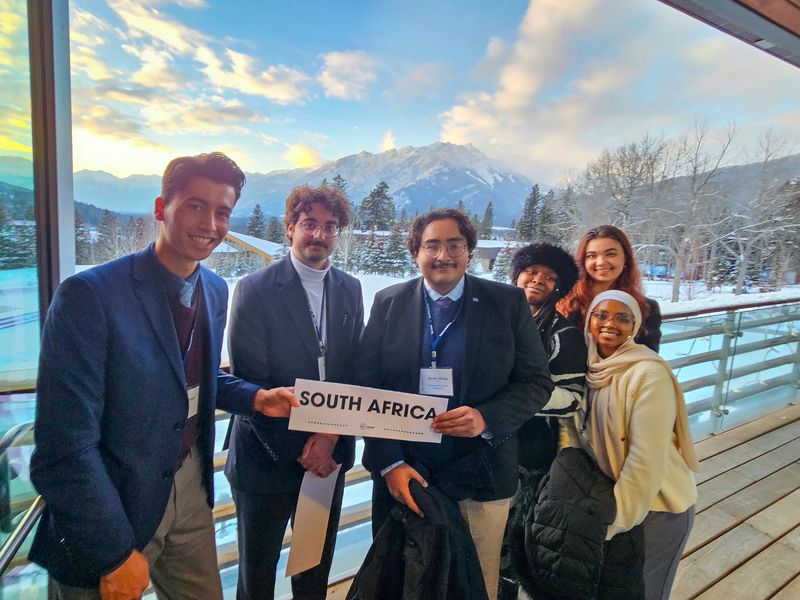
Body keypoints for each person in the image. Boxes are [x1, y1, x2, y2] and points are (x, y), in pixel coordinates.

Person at [30, 152, 298, 600]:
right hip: (112, 500)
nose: (210, 223)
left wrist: (255, 399)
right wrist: (114, 553)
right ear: (161, 209)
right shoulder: (89, 296)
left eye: (222, 212)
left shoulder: (213, 289)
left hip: (189, 486)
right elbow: (63, 445)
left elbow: (192, 382)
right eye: (196, 205)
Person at [357, 208, 553, 600]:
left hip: (480, 473)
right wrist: (390, 463)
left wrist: (487, 417)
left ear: (469, 251)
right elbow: (367, 389)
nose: (443, 255)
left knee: (474, 584)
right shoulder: (388, 302)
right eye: (432, 245)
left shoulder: (507, 302)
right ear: (416, 252)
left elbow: (536, 382)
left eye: (454, 245)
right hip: (406, 473)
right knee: (400, 583)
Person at [225, 184, 364, 600]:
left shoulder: (350, 288)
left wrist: (330, 437)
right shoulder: (255, 288)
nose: (318, 235)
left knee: (313, 568)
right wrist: (308, 443)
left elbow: (353, 369)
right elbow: (252, 381)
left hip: (327, 454)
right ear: (290, 228)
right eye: (308, 224)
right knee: (257, 574)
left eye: (329, 226)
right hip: (266, 458)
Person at [561, 290, 699, 600]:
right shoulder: (589, 368)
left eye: (622, 318)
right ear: (589, 321)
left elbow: (644, 462)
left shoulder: (647, 373)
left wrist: (610, 525)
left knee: (645, 593)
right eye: (601, 315)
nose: (610, 324)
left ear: (635, 326)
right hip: (615, 503)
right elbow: (572, 426)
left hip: (659, 506)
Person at [510, 242, 587, 472]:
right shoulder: (494, 319)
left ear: (559, 287)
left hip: (529, 447)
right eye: (531, 272)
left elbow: (572, 398)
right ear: (517, 276)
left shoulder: (564, 335)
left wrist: (511, 399)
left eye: (550, 276)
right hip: (482, 437)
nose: (538, 279)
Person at [558, 225, 662, 351]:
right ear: (583, 262)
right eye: (592, 255)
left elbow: (649, 356)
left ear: (625, 259)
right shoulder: (563, 303)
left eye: (611, 254)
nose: (601, 262)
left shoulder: (646, 309)